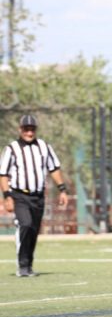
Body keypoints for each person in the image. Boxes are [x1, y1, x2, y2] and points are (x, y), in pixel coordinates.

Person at [0, 115, 69, 277]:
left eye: (32, 129)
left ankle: (28, 265)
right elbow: (3, 174)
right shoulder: (11, 149)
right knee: (25, 224)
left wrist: (62, 189)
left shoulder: (44, 147)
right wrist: (7, 196)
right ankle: (23, 265)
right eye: (26, 129)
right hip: (19, 195)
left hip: (38, 196)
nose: (29, 133)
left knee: (33, 229)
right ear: (20, 130)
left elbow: (54, 168)